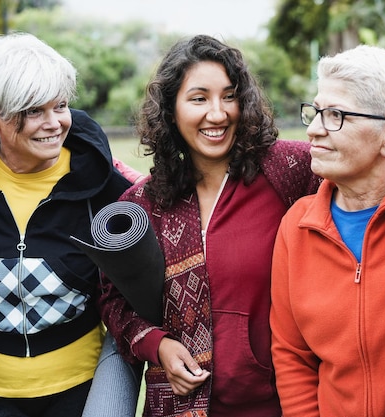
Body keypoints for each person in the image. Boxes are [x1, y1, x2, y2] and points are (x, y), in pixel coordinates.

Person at [97, 34, 321, 416]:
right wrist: (157, 345)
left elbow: (363, 179)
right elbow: (112, 298)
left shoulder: (288, 171)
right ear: (170, 110)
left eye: (229, 96)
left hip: (274, 403)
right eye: (199, 98)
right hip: (178, 406)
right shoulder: (142, 205)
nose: (217, 114)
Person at [0, 32, 140, 417]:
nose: (53, 124)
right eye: (32, 111)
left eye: (59, 106)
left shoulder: (102, 184)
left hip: (83, 391)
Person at [269, 44, 385, 417]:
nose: (314, 129)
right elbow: (292, 355)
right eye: (316, 112)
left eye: (336, 115)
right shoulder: (297, 226)